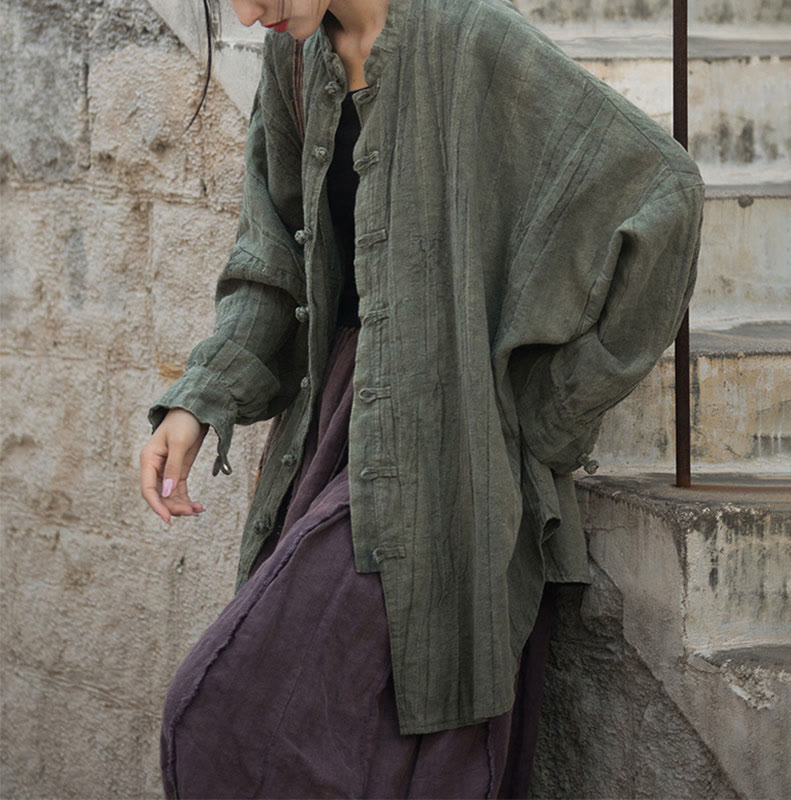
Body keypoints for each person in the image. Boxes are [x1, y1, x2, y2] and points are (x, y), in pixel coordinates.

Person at [140, 0, 705, 796]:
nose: (246, 10)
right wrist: (198, 402)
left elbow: (663, 187)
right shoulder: (295, 59)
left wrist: (552, 411)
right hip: (334, 429)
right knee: (302, 726)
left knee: (242, 715)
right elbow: (270, 258)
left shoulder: (472, 38)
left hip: (450, 438)